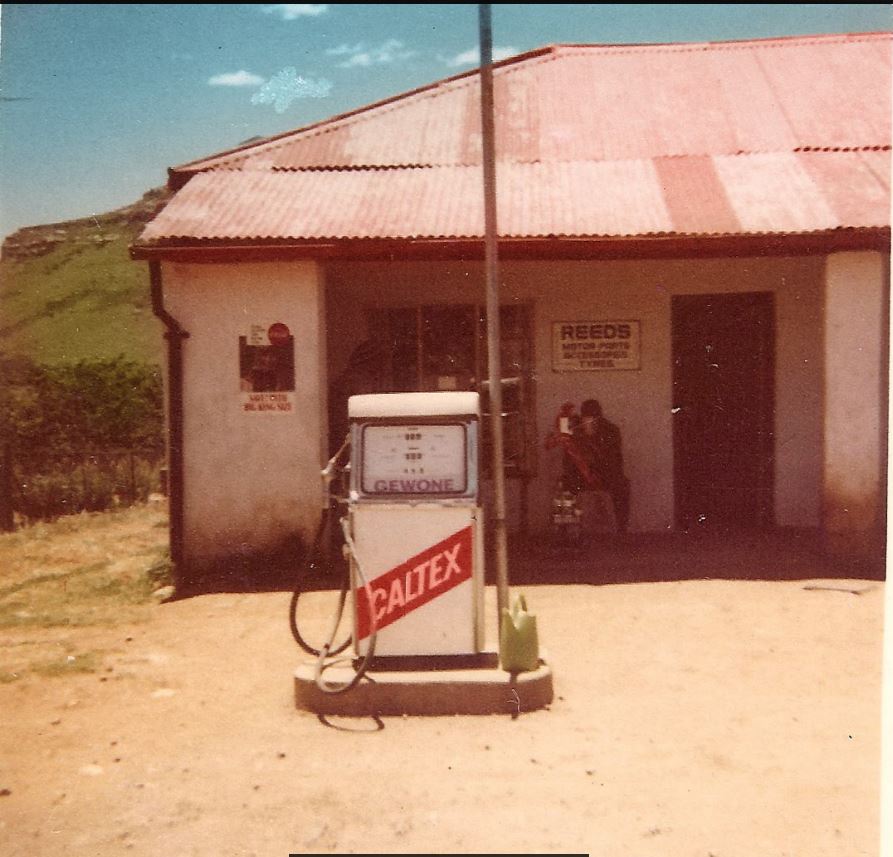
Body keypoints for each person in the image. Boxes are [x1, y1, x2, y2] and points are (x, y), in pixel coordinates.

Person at [547, 398, 630, 534]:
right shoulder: (575, 430)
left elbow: (615, 459)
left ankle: (622, 529)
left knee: (622, 486)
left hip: (605, 474)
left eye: (593, 418)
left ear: (599, 418)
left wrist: (598, 470)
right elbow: (568, 459)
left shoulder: (611, 431)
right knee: (564, 485)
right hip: (580, 475)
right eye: (586, 417)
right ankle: (565, 530)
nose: (589, 421)